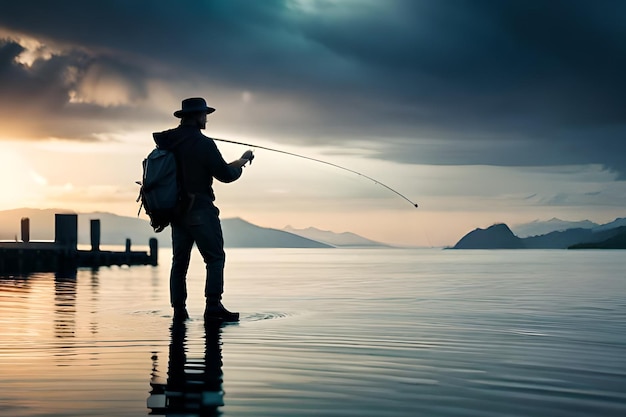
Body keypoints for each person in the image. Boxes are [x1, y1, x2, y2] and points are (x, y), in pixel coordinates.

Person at [153, 97, 254, 322]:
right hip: (200, 210)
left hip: (176, 212)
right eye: (204, 114)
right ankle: (213, 307)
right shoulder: (204, 144)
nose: (206, 118)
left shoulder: (168, 141)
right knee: (215, 258)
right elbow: (226, 175)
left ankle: (179, 311)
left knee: (179, 262)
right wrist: (242, 162)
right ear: (198, 116)